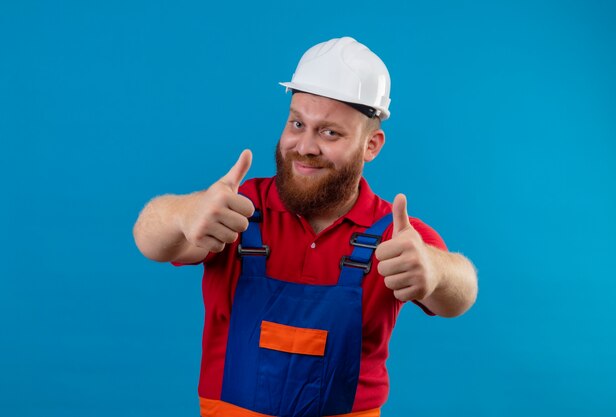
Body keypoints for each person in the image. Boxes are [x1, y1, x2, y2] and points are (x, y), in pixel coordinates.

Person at [133, 37, 477, 417]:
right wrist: (186, 213)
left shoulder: (394, 236)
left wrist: (435, 271)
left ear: (372, 145)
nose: (305, 146)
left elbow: (460, 294)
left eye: (330, 132)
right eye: (298, 123)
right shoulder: (238, 210)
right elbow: (149, 238)